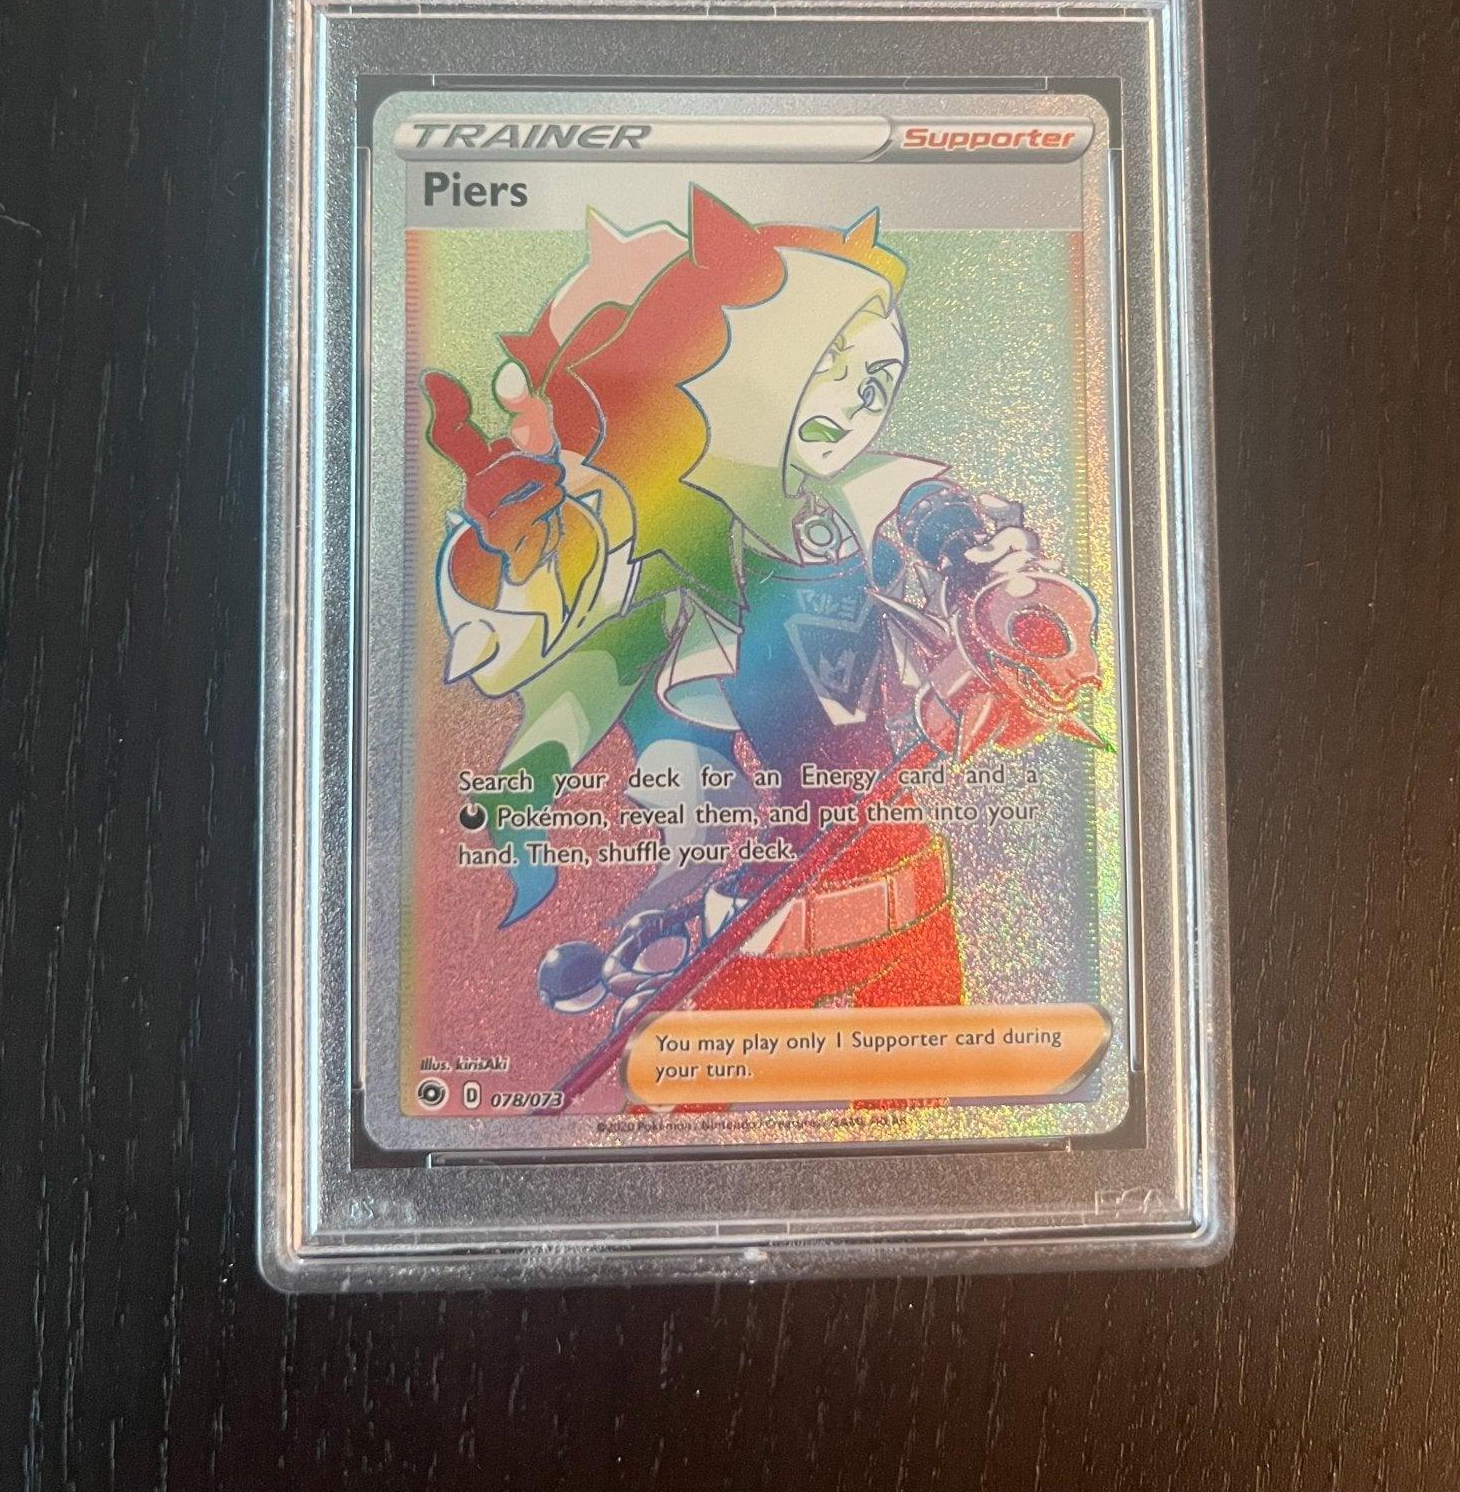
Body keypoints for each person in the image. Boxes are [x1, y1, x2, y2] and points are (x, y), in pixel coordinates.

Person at [423, 188, 1100, 1031]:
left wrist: (992, 580)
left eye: (877, 380)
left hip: (905, 893)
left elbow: (948, 527)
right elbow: (575, 634)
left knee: (921, 1095)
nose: (856, 403)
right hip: (782, 905)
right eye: (825, 369)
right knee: (688, 1085)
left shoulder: (863, 497)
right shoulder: (684, 539)